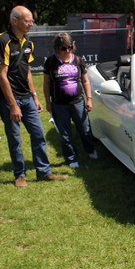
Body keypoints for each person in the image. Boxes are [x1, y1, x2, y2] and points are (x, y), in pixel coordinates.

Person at [0, 5, 67, 187]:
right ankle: (20, 175)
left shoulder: (28, 43)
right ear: (14, 21)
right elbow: (1, 75)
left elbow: (26, 72)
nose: (31, 24)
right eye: (27, 21)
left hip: (27, 98)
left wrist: (34, 96)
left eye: (31, 21)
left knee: (39, 134)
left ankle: (43, 172)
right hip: (9, 100)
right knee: (15, 138)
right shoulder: (3, 40)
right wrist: (13, 105)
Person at [43, 32, 97, 168]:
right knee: (65, 134)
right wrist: (48, 103)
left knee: (85, 129)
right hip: (59, 105)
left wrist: (89, 99)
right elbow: (46, 83)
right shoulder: (50, 62)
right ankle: (72, 158)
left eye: (69, 47)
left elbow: (85, 81)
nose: (67, 50)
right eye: (63, 48)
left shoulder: (78, 60)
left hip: (78, 102)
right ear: (57, 48)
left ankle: (90, 150)